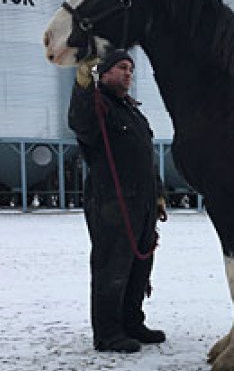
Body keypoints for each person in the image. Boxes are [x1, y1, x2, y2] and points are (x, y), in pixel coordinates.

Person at [68, 50, 168, 353]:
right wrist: (83, 83)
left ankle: (132, 322)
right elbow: (80, 123)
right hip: (112, 202)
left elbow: (145, 158)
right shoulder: (98, 106)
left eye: (130, 69)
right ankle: (108, 334)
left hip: (143, 202)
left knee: (140, 266)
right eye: (121, 68)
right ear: (104, 73)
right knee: (112, 267)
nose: (128, 73)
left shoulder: (132, 112)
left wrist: (159, 193)